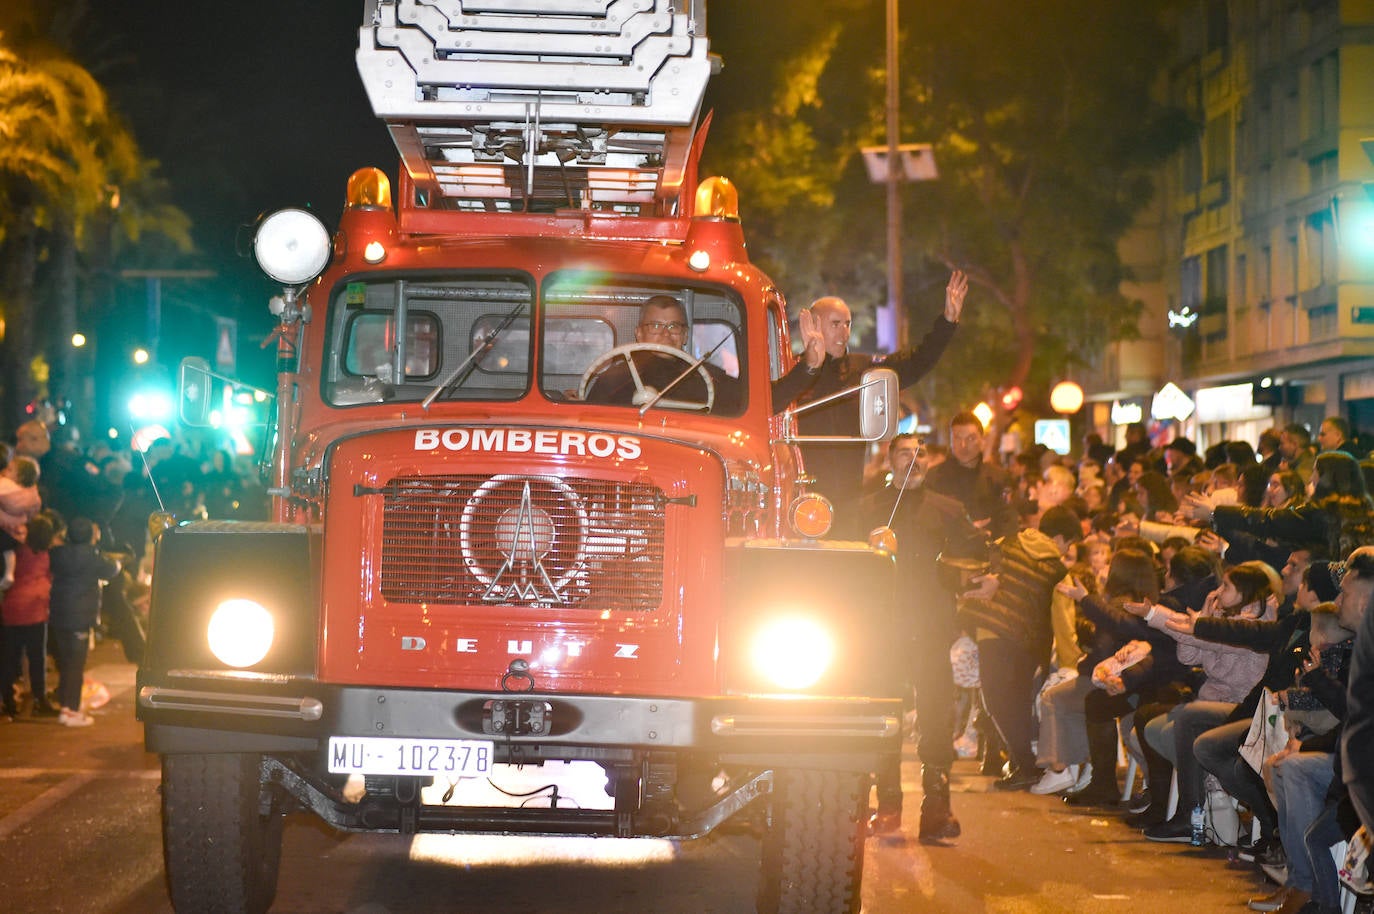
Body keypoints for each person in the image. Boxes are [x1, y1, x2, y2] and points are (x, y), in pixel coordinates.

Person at [771, 271, 967, 539]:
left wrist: (947, 321)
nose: (844, 332)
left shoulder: (866, 370)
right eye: (835, 323)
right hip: (801, 502)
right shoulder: (794, 371)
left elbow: (916, 363)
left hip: (851, 503)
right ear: (814, 324)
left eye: (848, 324)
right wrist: (809, 365)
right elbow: (768, 405)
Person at [861, 433, 986, 840]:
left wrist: (981, 572)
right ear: (889, 459)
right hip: (883, 629)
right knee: (884, 715)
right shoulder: (869, 508)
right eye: (904, 453)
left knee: (936, 716)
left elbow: (977, 552)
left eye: (920, 454)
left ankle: (937, 809)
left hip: (932, 627)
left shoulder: (948, 509)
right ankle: (888, 804)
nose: (913, 460)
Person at [958, 504, 1081, 791]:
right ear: (1061, 538)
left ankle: (1024, 764)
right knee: (1017, 703)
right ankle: (1024, 764)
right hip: (1028, 643)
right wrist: (1071, 663)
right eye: (1070, 544)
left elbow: (979, 574)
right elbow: (1063, 622)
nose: (1066, 551)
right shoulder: (1059, 571)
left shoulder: (1006, 544)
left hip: (992, 632)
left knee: (997, 702)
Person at [48, 516, 121, 727]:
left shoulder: (57, 555)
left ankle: (65, 705)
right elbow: (113, 569)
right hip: (79, 618)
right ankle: (70, 711)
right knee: (75, 665)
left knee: (65, 663)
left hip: (59, 615)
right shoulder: (94, 557)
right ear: (91, 536)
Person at [0, 513, 59, 721]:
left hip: (13, 607)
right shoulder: (48, 555)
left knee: (9, 658)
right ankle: (39, 700)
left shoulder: (17, 550)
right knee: (37, 658)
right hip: (36, 610)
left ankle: (7, 701)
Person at [923, 411, 1018, 541]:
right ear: (951, 441)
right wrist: (964, 531)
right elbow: (925, 524)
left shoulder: (999, 478)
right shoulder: (933, 478)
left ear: (982, 441)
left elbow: (1008, 523)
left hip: (990, 554)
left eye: (971, 438)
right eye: (957, 438)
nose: (963, 445)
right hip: (946, 556)